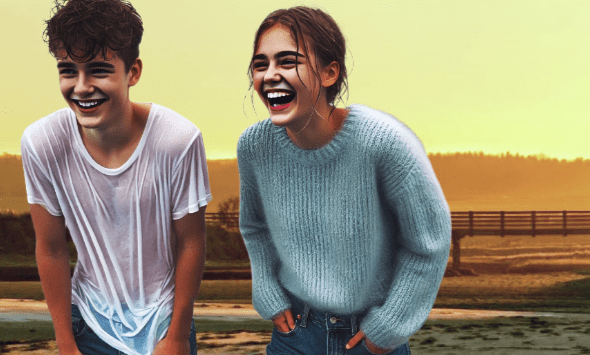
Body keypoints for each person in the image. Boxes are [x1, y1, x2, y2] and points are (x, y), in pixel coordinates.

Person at [237, 6, 451, 355]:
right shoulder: (254, 146)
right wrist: (267, 290)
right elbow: (256, 226)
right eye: (261, 65)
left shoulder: (385, 142)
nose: (270, 75)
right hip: (295, 335)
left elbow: (429, 242)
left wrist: (389, 328)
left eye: (287, 62)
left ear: (329, 72)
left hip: (369, 337)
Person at [21, 0, 211, 354]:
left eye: (98, 71)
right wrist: (66, 343)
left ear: (133, 72)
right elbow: (50, 248)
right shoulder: (42, 142)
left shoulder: (178, 140)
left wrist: (177, 336)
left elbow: (191, 244)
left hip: (164, 322)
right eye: (67, 71)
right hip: (88, 323)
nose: (81, 87)